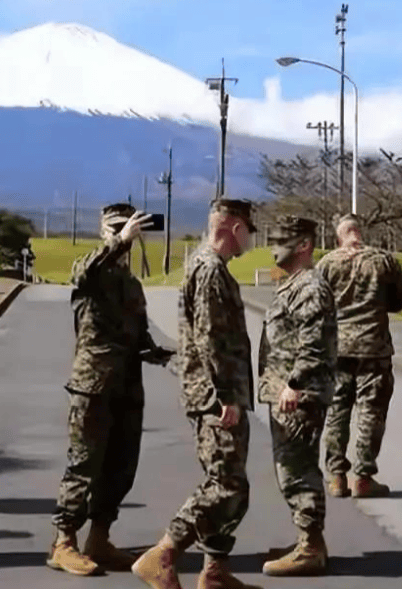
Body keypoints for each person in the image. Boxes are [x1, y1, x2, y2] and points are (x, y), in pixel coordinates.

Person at [132, 198, 260, 589]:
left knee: (231, 485)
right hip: (214, 396)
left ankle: (215, 571)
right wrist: (226, 396)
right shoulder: (209, 271)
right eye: (248, 231)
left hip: (215, 392)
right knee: (226, 484)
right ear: (235, 228)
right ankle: (164, 553)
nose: (251, 240)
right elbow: (210, 338)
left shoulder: (211, 268)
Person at [48, 203, 174, 576]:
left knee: (121, 466)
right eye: (118, 227)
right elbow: (83, 272)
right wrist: (118, 241)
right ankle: (63, 542)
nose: (128, 232)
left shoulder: (131, 283)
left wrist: (153, 350)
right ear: (104, 230)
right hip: (94, 384)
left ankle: (99, 538)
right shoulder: (92, 268)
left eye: (132, 226)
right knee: (84, 463)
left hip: (127, 383)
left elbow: (136, 330)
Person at [257, 216, 337, 576]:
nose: (273, 245)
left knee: (297, 469)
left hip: (299, 395)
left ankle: (310, 546)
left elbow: (314, 343)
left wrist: (294, 382)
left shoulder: (309, 287)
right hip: (288, 392)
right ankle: (309, 539)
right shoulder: (295, 284)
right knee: (291, 467)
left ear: (304, 244)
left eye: (281, 239)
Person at [315, 214, 402, 498]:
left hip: (338, 349)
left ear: (339, 236)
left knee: (336, 411)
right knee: (371, 412)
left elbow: (316, 305)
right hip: (373, 347)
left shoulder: (327, 264)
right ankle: (364, 476)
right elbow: (400, 300)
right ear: (360, 232)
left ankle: (336, 476)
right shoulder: (382, 260)